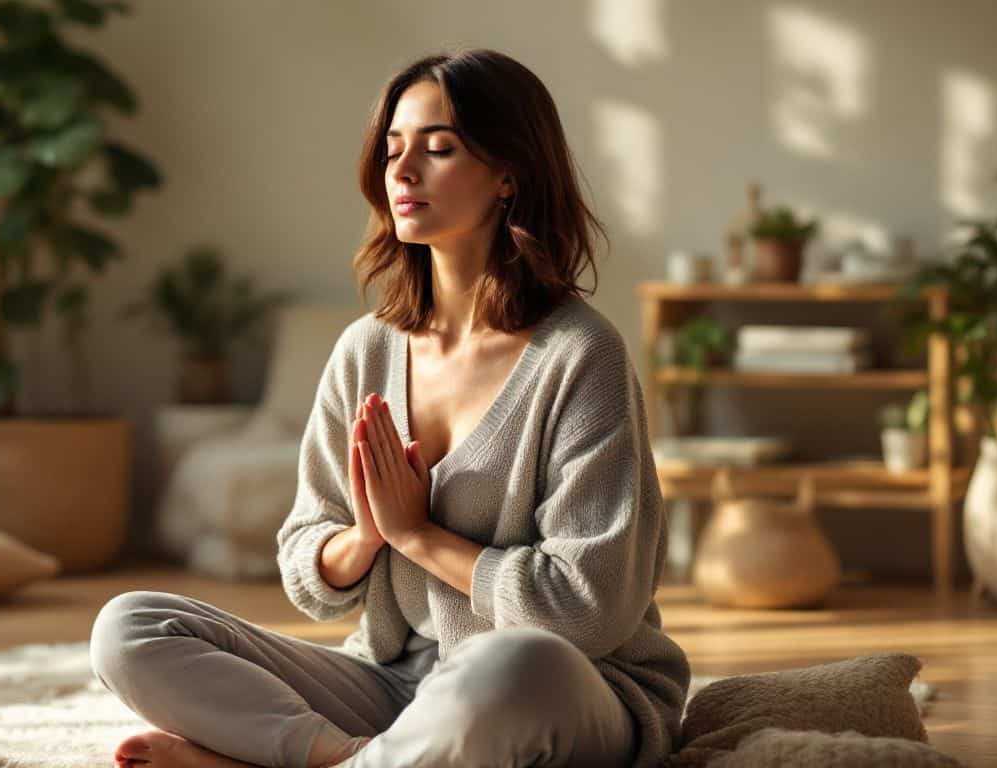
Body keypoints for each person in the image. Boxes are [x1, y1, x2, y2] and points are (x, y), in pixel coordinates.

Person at [90, 48, 690, 768]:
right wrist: (367, 537)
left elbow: (586, 610)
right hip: (393, 684)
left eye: (438, 149)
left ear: (510, 175)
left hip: (565, 686)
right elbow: (307, 567)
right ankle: (345, 757)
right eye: (393, 149)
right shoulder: (365, 350)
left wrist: (416, 535)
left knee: (511, 669)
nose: (403, 172)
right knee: (129, 627)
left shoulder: (580, 355)